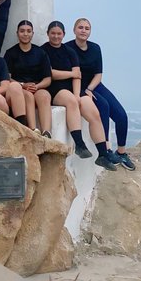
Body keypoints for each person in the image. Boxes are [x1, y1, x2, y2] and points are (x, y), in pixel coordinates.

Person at [42, 21, 116, 170]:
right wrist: (70, 75)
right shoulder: (43, 51)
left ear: (63, 34)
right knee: (71, 101)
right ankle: (79, 144)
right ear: (48, 33)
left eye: (59, 33)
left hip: (74, 87)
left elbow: (78, 75)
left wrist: (77, 94)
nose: (56, 36)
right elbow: (50, 73)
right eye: (53, 33)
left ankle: (102, 154)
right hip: (55, 87)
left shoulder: (69, 51)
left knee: (93, 111)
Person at [70, 18, 135, 170]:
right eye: (80, 27)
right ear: (74, 30)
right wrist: (83, 91)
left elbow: (99, 74)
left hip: (94, 84)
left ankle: (122, 152)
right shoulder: (68, 48)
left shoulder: (95, 48)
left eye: (87, 28)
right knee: (103, 107)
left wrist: (90, 89)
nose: (83, 30)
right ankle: (106, 150)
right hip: (78, 85)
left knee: (121, 115)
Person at [4, 20, 53, 135]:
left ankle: (46, 133)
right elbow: (7, 77)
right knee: (28, 96)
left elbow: (48, 79)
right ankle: (33, 130)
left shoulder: (41, 53)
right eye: (22, 31)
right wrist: (23, 85)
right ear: (17, 33)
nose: (25, 34)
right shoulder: (10, 53)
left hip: (37, 87)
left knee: (45, 96)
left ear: (32, 33)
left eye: (28, 31)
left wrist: (37, 86)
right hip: (20, 89)